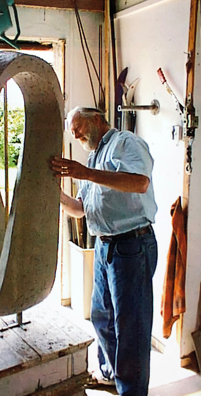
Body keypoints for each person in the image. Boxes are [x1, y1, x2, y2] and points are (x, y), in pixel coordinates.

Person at [51, 106, 158, 396]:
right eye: (72, 131)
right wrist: (54, 194)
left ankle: (132, 391)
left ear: (96, 119)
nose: (75, 134)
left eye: (78, 127)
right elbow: (80, 209)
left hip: (132, 245)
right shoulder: (94, 157)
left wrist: (85, 172)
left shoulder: (125, 143)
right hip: (105, 245)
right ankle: (111, 374)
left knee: (130, 326)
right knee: (102, 316)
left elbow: (139, 182)